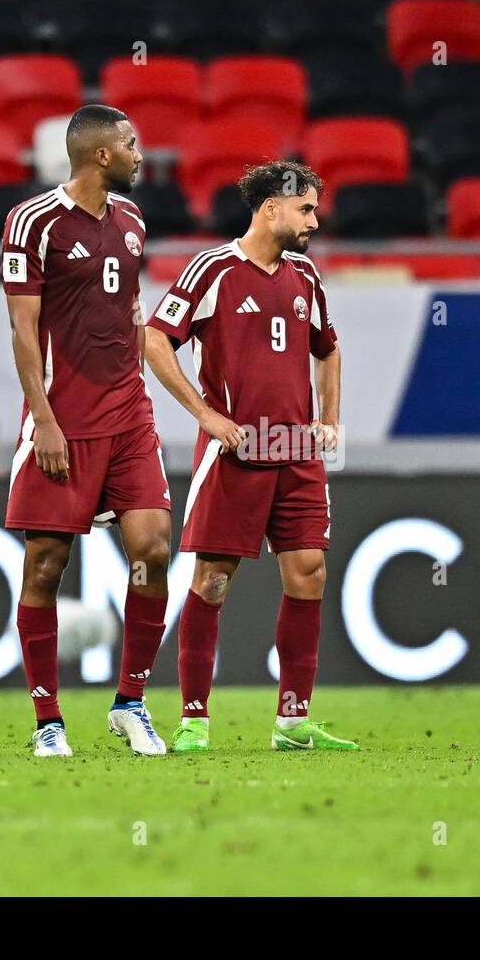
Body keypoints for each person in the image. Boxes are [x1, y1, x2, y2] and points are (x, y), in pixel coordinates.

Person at [144, 161, 358, 754]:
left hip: (295, 453)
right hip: (234, 451)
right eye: (306, 209)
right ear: (270, 208)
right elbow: (155, 339)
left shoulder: (305, 276)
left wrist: (330, 418)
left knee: (309, 574)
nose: (315, 220)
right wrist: (204, 415)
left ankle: (292, 723)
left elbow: (329, 350)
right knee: (212, 582)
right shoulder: (214, 270)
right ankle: (193, 720)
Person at [1, 105, 172, 758]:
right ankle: (48, 718)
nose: (139, 153)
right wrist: (42, 418)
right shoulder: (32, 221)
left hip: (128, 411)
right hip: (62, 418)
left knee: (152, 548)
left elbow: (129, 307)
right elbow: (22, 327)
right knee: (45, 565)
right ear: (100, 155)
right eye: (131, 144)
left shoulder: (132, 220)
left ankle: (131, 700)